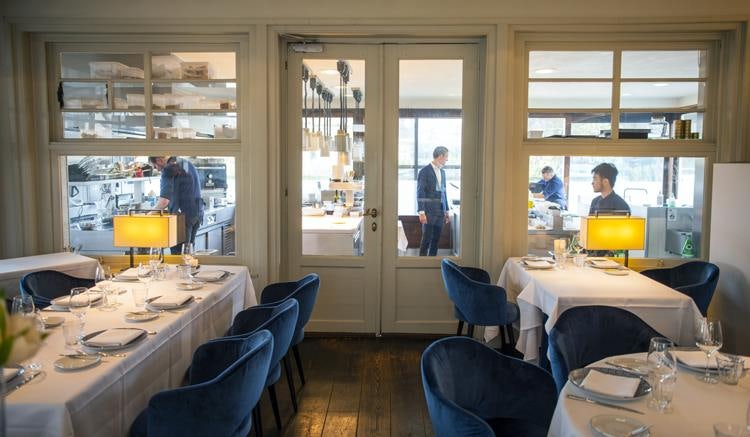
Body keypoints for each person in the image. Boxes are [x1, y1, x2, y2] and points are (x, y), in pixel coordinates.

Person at [149, 156, 204, 255]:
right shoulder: (186, 163)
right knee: (188, 253)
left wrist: (149, 214)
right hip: (197, 213)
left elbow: (164, 201)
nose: (156, 169)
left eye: (154, 166)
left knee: (179, 256)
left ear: (158, 160)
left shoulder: (168, 169)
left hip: (182, 218)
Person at [417, 146, 451, 256]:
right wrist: (421, 212)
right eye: (446, 157)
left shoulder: (443, 173)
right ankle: (421, 265)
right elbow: (420, 192)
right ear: (440, 156)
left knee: (436, 241)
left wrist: (446, 211)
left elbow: (444, 193)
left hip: (440, 212)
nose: (447, 160)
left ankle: (431, 264)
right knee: (426, 240)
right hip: (428, 212)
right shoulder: (424, 171)